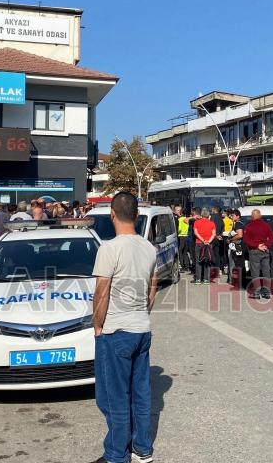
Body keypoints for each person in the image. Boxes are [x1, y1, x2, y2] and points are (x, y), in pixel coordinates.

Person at [91, 192, 157, 463]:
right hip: (141, 328)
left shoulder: (109, 248)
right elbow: (152, 290)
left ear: (112, 214)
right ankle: (142, 449)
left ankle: (117, 455)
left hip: (116, 331)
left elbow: (101, 293)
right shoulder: (149, 248)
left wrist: (97, 326)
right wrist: (141, 314)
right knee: (140, 393)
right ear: (138, 216)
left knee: (112, 397)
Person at [243, 209, 273, 299]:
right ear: (260, 216)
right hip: (265, 251)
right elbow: (272, 238)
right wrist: (265, 245)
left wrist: (257, 246)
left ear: (252, 216)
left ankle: (257, 292)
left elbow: (246, 240)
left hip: (254, 251)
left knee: (255, 272)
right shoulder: (266, 226)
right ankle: (266, 292)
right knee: (266, 272)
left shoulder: (249, 226)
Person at [192, 208, 216, 285]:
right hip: (208, 244)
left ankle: (198, 279)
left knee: (198, 261)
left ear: (201, 214)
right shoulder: (212, 223)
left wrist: (203, 240)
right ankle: (206, 279)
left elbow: (196, 233)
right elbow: (214, 234)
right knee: (207, 261)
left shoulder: (196, 222)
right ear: (208, 215)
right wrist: (208, 241)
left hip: (199, 243)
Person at [227, 209, 245, 286]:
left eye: (233, 215)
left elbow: (240, 235)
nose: (231, 217)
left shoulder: (238, 224)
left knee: (236, 262)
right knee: (235, 262)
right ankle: (234, 279)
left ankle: (236, 280)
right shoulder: (237, 223)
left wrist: (231, 239)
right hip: (236, 245)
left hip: (237, 246)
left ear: (238, 216)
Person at [175, 206, 191, 272]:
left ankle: (182, 266)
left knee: (180, 252)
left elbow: (178, 229)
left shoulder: (179, 220)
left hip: (181, 237)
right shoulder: (187, 219)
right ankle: (187, 267)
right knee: (185, 252)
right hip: (186, 236)